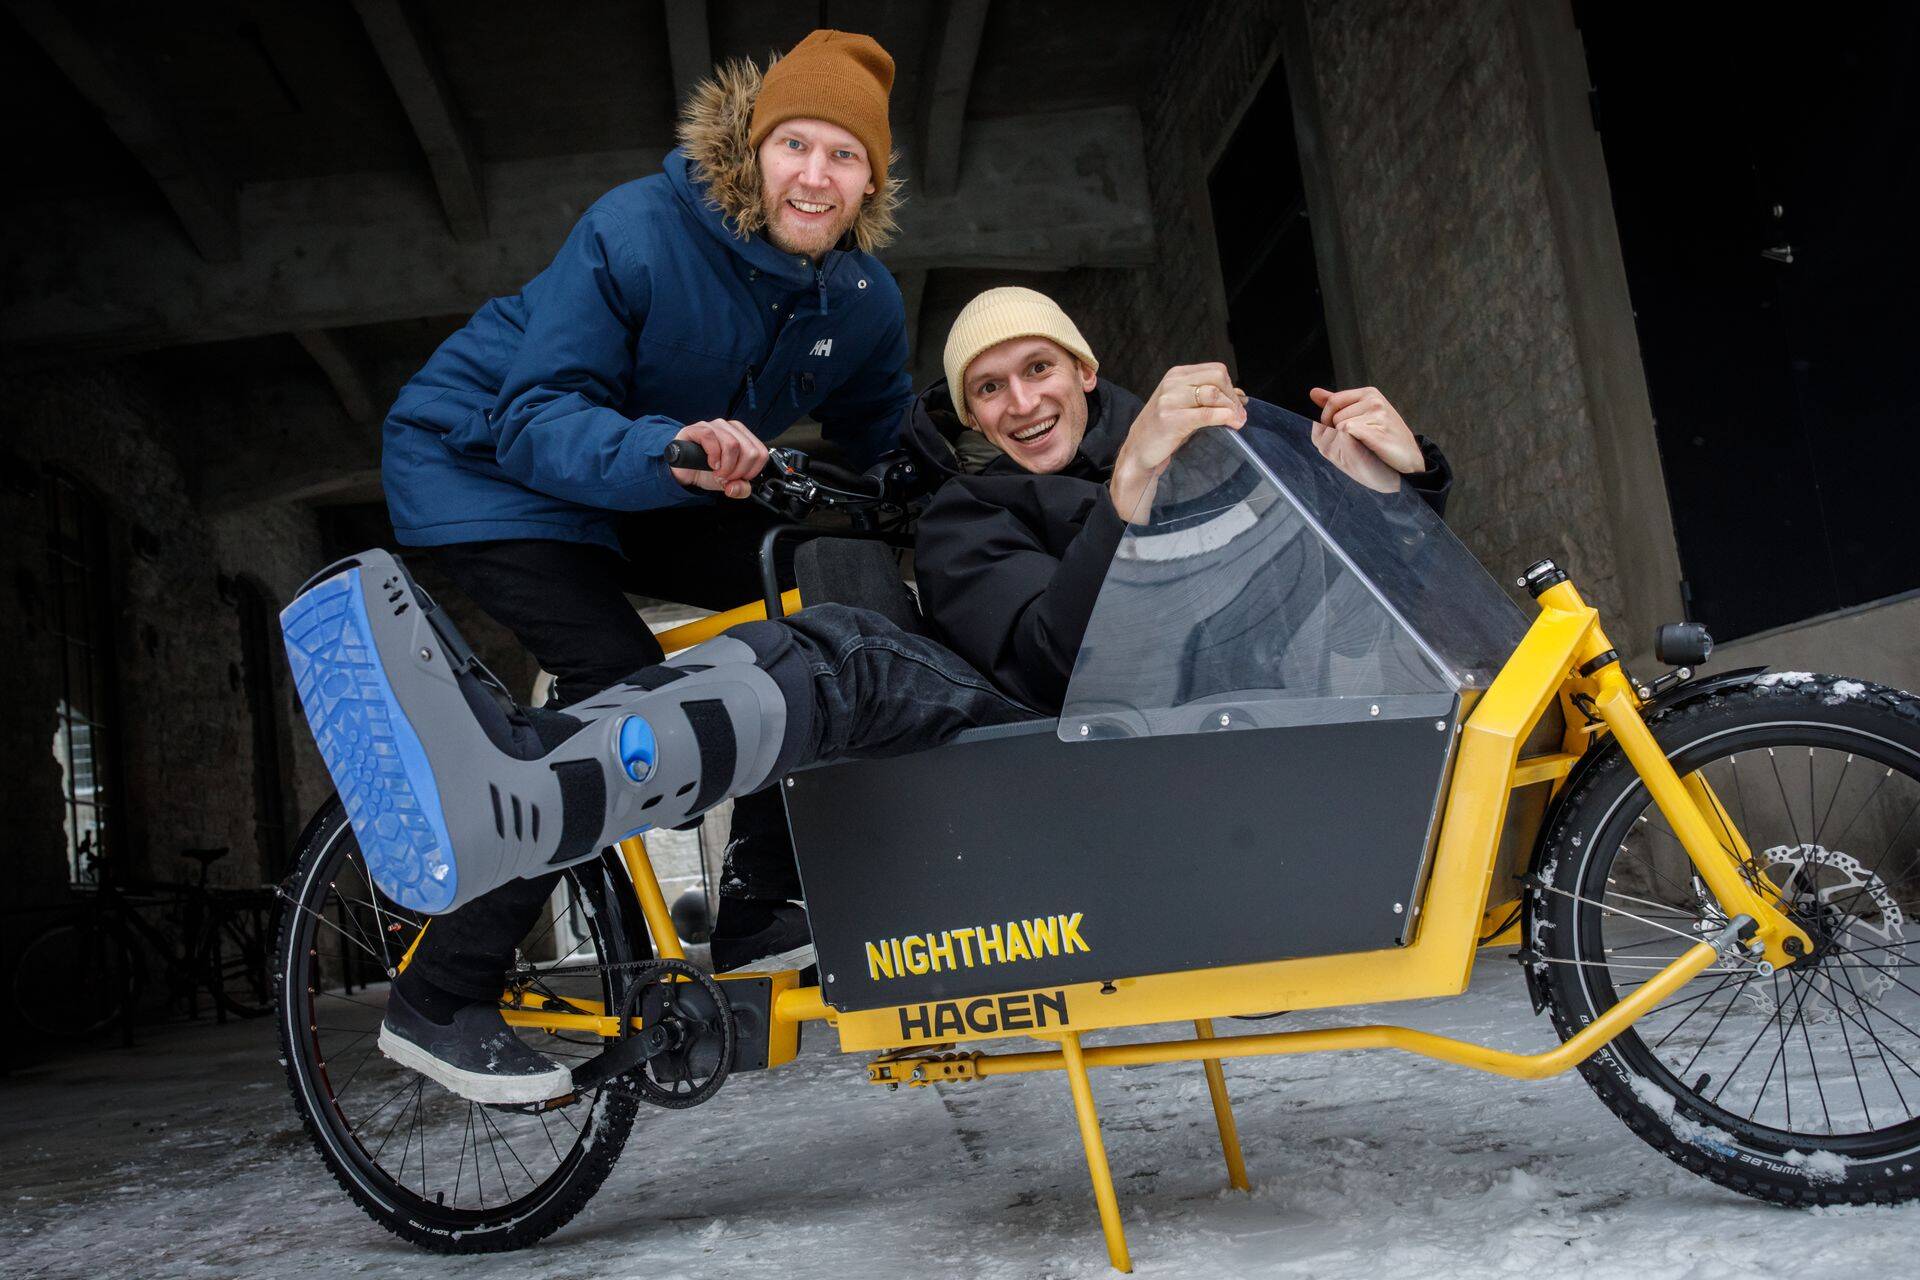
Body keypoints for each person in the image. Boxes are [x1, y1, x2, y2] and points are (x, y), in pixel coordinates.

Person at [287, 287, 1450, 1103]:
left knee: (853, 641)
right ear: (971, 418)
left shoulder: (1211, 469)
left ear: (1086, 372)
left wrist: (1398, 487)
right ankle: (523, 791)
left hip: (1179, 784)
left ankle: (550, 792)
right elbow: (1048, 670)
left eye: (1038, 369)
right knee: (851, 648)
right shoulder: (973, 513)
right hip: (1020, 759)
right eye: (988, 388)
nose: (1019, 401)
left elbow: (1320, 609)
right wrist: (1128, 492)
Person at [374, 29, 915, 1042]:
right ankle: (442, 988)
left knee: (819, 586)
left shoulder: (860, 301)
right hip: (485, 465)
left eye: (845, 156)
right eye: (795, 144)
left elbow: (885, 446)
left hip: (642, 485)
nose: (815, 176)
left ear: (871, 183)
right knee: (615, 678)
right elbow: (533, 416)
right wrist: (672, 451)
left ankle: (758, 888)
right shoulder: (637, 230)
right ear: (752, 150)